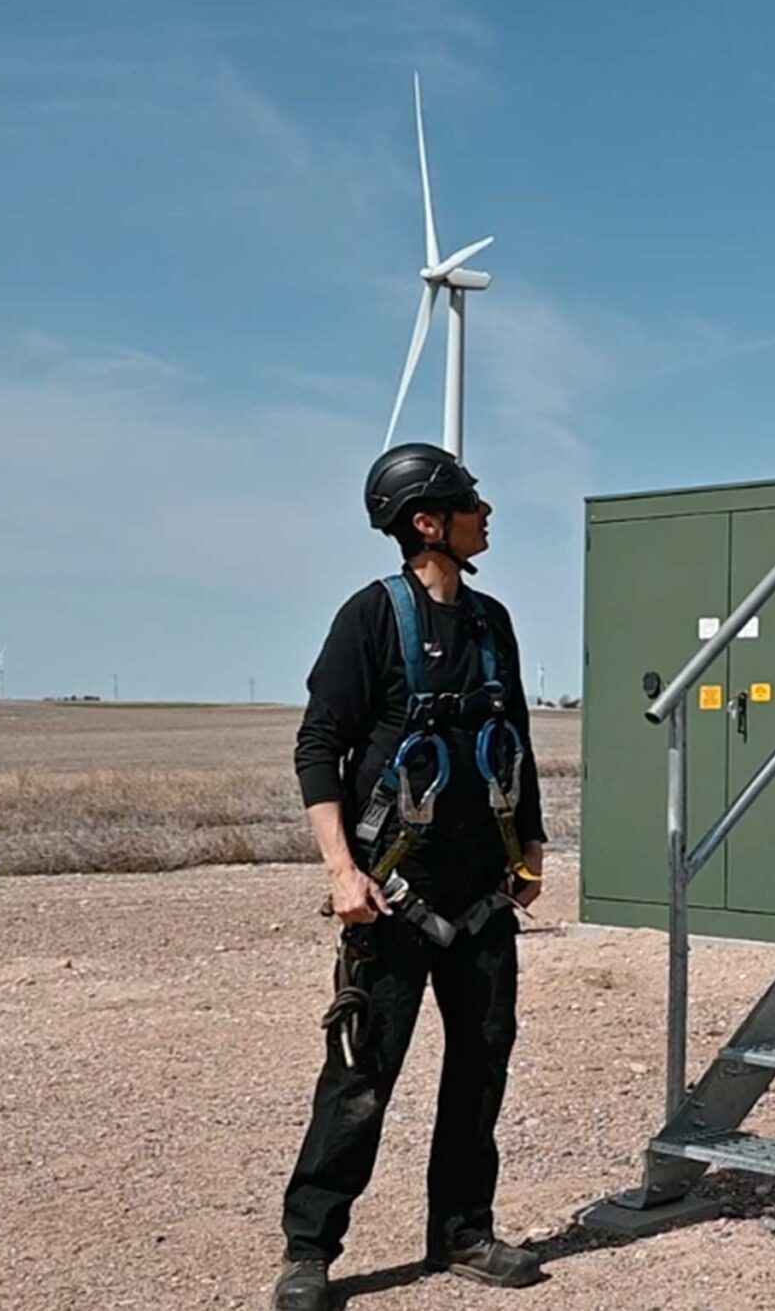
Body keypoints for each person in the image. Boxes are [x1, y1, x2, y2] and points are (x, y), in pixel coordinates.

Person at [271, 443, 548, 1310]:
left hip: (482, 892)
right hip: (389, 894)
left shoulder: (492, 623)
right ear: (428, 522)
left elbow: (516, 737)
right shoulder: (370, 618)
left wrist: (530, 847)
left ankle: (462, 1230)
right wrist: (341, 870)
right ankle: (310, 1251)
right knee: (362, 1075)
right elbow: (319, 746)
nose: (486, 513)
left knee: (482, 1062)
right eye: (471, 502)